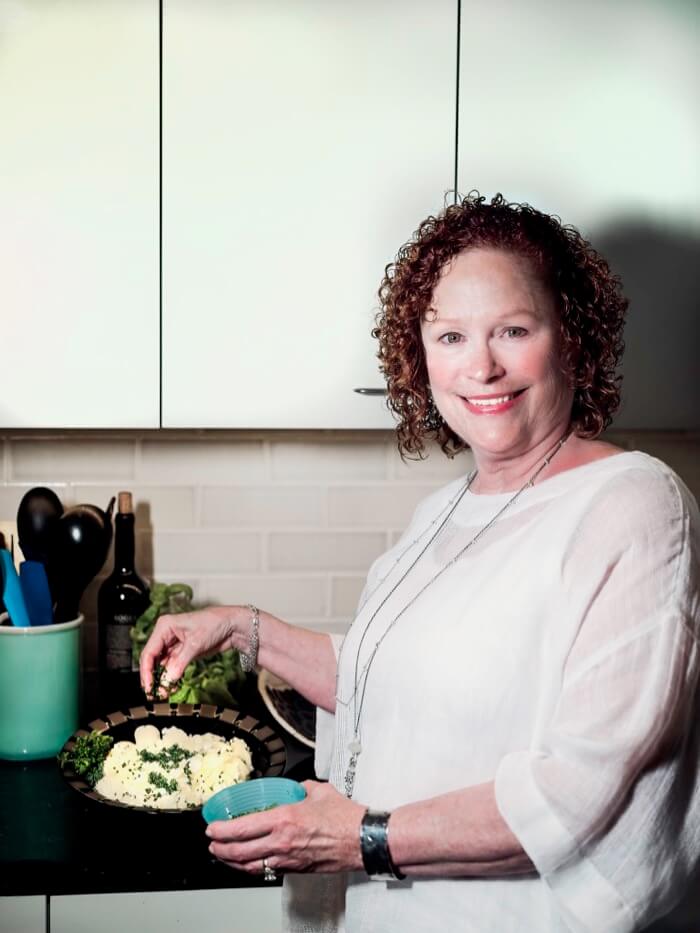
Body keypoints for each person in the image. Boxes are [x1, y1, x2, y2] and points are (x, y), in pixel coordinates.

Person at [140, 193, 700, 933]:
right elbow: (393, 685)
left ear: (571, 337)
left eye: (513, 330)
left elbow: (576, 791)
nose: (482, 366)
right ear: (421, 353)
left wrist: (358, 836)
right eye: (451, 335)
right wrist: (245, 628)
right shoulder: (444, 509)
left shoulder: (632, 505)